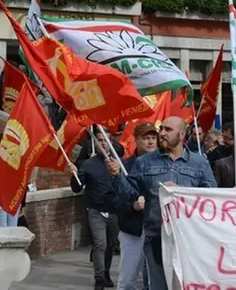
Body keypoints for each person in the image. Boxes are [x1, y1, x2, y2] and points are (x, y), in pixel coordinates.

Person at [107, 116, 217, 290]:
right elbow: (129, 194)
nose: (162, 134)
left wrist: (180, 191)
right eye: (162, 129)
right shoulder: (144, 162)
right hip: (156, 236)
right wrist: (117, 176)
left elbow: (210, 199)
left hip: (188, 238)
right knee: (158, 286)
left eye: (168, 130)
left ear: (181, 135)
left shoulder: (200, 164)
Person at [69, 130, 123, 290]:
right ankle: (99, 278)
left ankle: (106, 272)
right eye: (100, 140)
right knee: (100, 244)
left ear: (111, 143)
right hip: (95, 209)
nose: (103, 143)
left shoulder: (117, 162)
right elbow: (76, 187)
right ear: (95, 143)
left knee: (110, 244)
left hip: (113, 209)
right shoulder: (88, 164)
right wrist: (73, 174)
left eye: (106, 140)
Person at [115, 122, 157, 290]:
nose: (150, 142)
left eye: (153, 138)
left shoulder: (165, 164)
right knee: (128, 280)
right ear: (136, 140)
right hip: (133, 230)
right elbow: (112, 200)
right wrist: (132, 206)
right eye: (146, 138)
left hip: (157, 230)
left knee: (155, 280)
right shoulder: (124, 166)